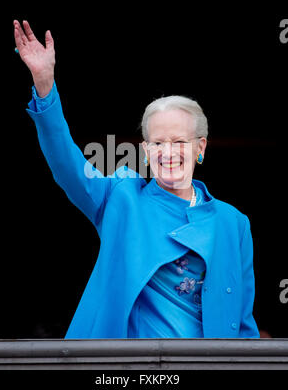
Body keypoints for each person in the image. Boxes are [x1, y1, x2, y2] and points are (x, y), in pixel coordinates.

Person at [13, 20, 260, 339]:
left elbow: (241, 322)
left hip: (202, 366)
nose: (168, 153)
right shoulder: (121, 197)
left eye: (179, 142)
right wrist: (45, 85)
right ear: (145, 151)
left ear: (200, 148)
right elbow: (68, 165)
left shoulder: (232, 223)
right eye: (157, 143)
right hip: (123, 365)